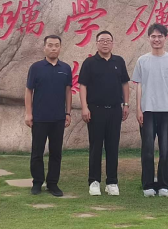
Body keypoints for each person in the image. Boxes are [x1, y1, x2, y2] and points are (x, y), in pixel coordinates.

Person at [79, 31, 130, 196]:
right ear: (96, 43)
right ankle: (94, 181)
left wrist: (126, 104)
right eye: (102, 40)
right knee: (95, 147)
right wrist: (84, 107)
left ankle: (112, 182)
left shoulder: (119, 61)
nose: (105, 43)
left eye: (108, 40)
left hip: (115, 110)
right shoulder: (89, 63)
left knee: (112, 146)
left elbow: (125, 84)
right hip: (95, 110)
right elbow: (83, 86)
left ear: (113, 43)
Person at [132, 23, 168, 197]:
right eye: (153, 36)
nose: (156, 39)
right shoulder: (142, 60)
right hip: (147, 110)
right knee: (147, 149)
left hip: (166, 110)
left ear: (165, 38)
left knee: (165, 149)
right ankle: (148, 184)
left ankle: (164, 184)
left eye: (160, 36)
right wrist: (138, 109)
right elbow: (139, 86)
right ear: (148, 38)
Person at [24, 35, 72, 197]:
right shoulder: (36, 68)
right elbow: (29, 91)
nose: (53, 48)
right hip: (39, 117)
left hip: (58, 118)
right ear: (44, 48)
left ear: (60, 48)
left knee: (56, 153)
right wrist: (28, 113)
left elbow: (68, 92)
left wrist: (68, 112)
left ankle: (53, 183)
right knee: (37, 152)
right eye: (50, 45)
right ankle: (37, 182)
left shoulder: (65, 68)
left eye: (56, 45)